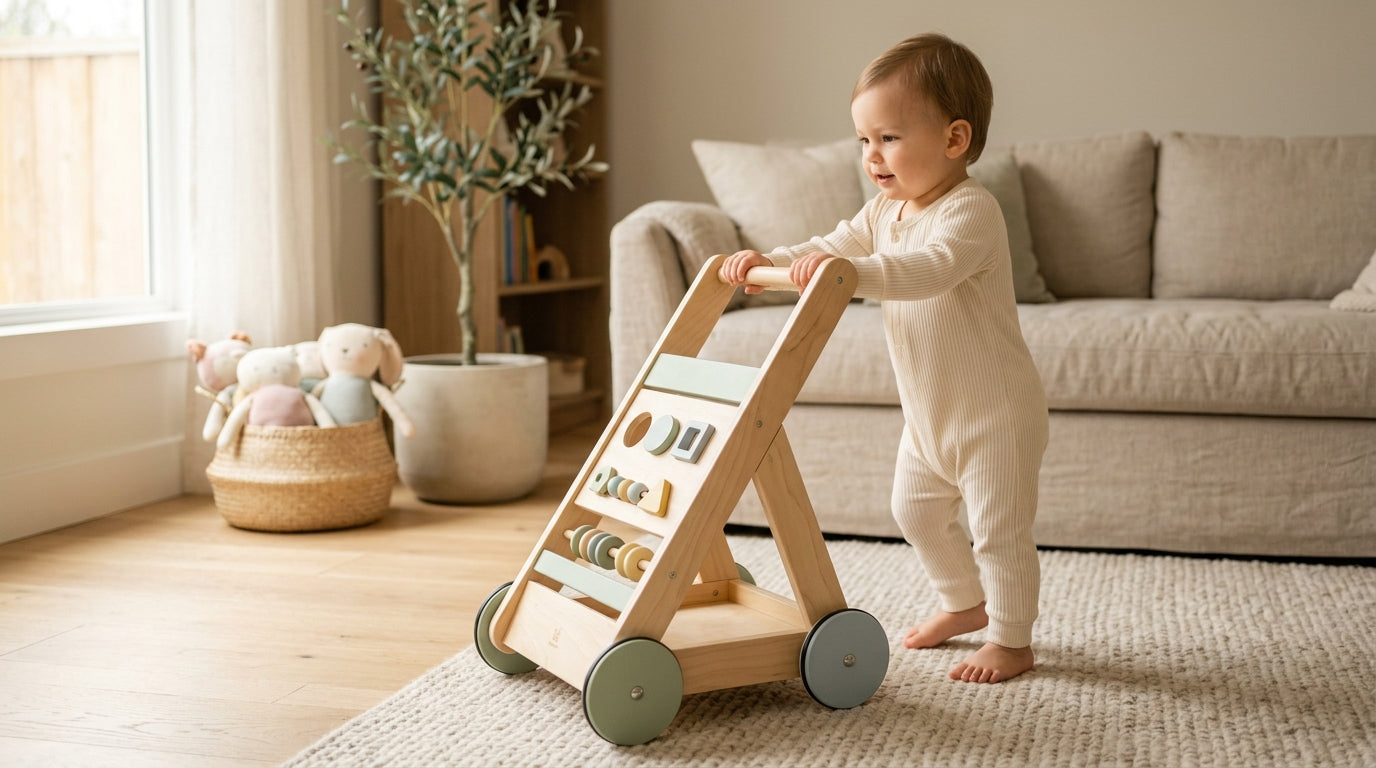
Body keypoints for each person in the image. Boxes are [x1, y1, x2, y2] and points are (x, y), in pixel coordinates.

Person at [720, 33, 1048, 683]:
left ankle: (1012, 640)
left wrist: (846, 273)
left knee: (998, 532)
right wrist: (767, 264)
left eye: (889, 138)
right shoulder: (884, 211)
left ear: (955, 140)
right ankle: (963, 604)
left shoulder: (971, 212)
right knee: (914, 509)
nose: (872, 157)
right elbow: (828, 245)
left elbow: (926, 271)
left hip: (994, 414)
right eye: (863, 141)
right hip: (930, 413)